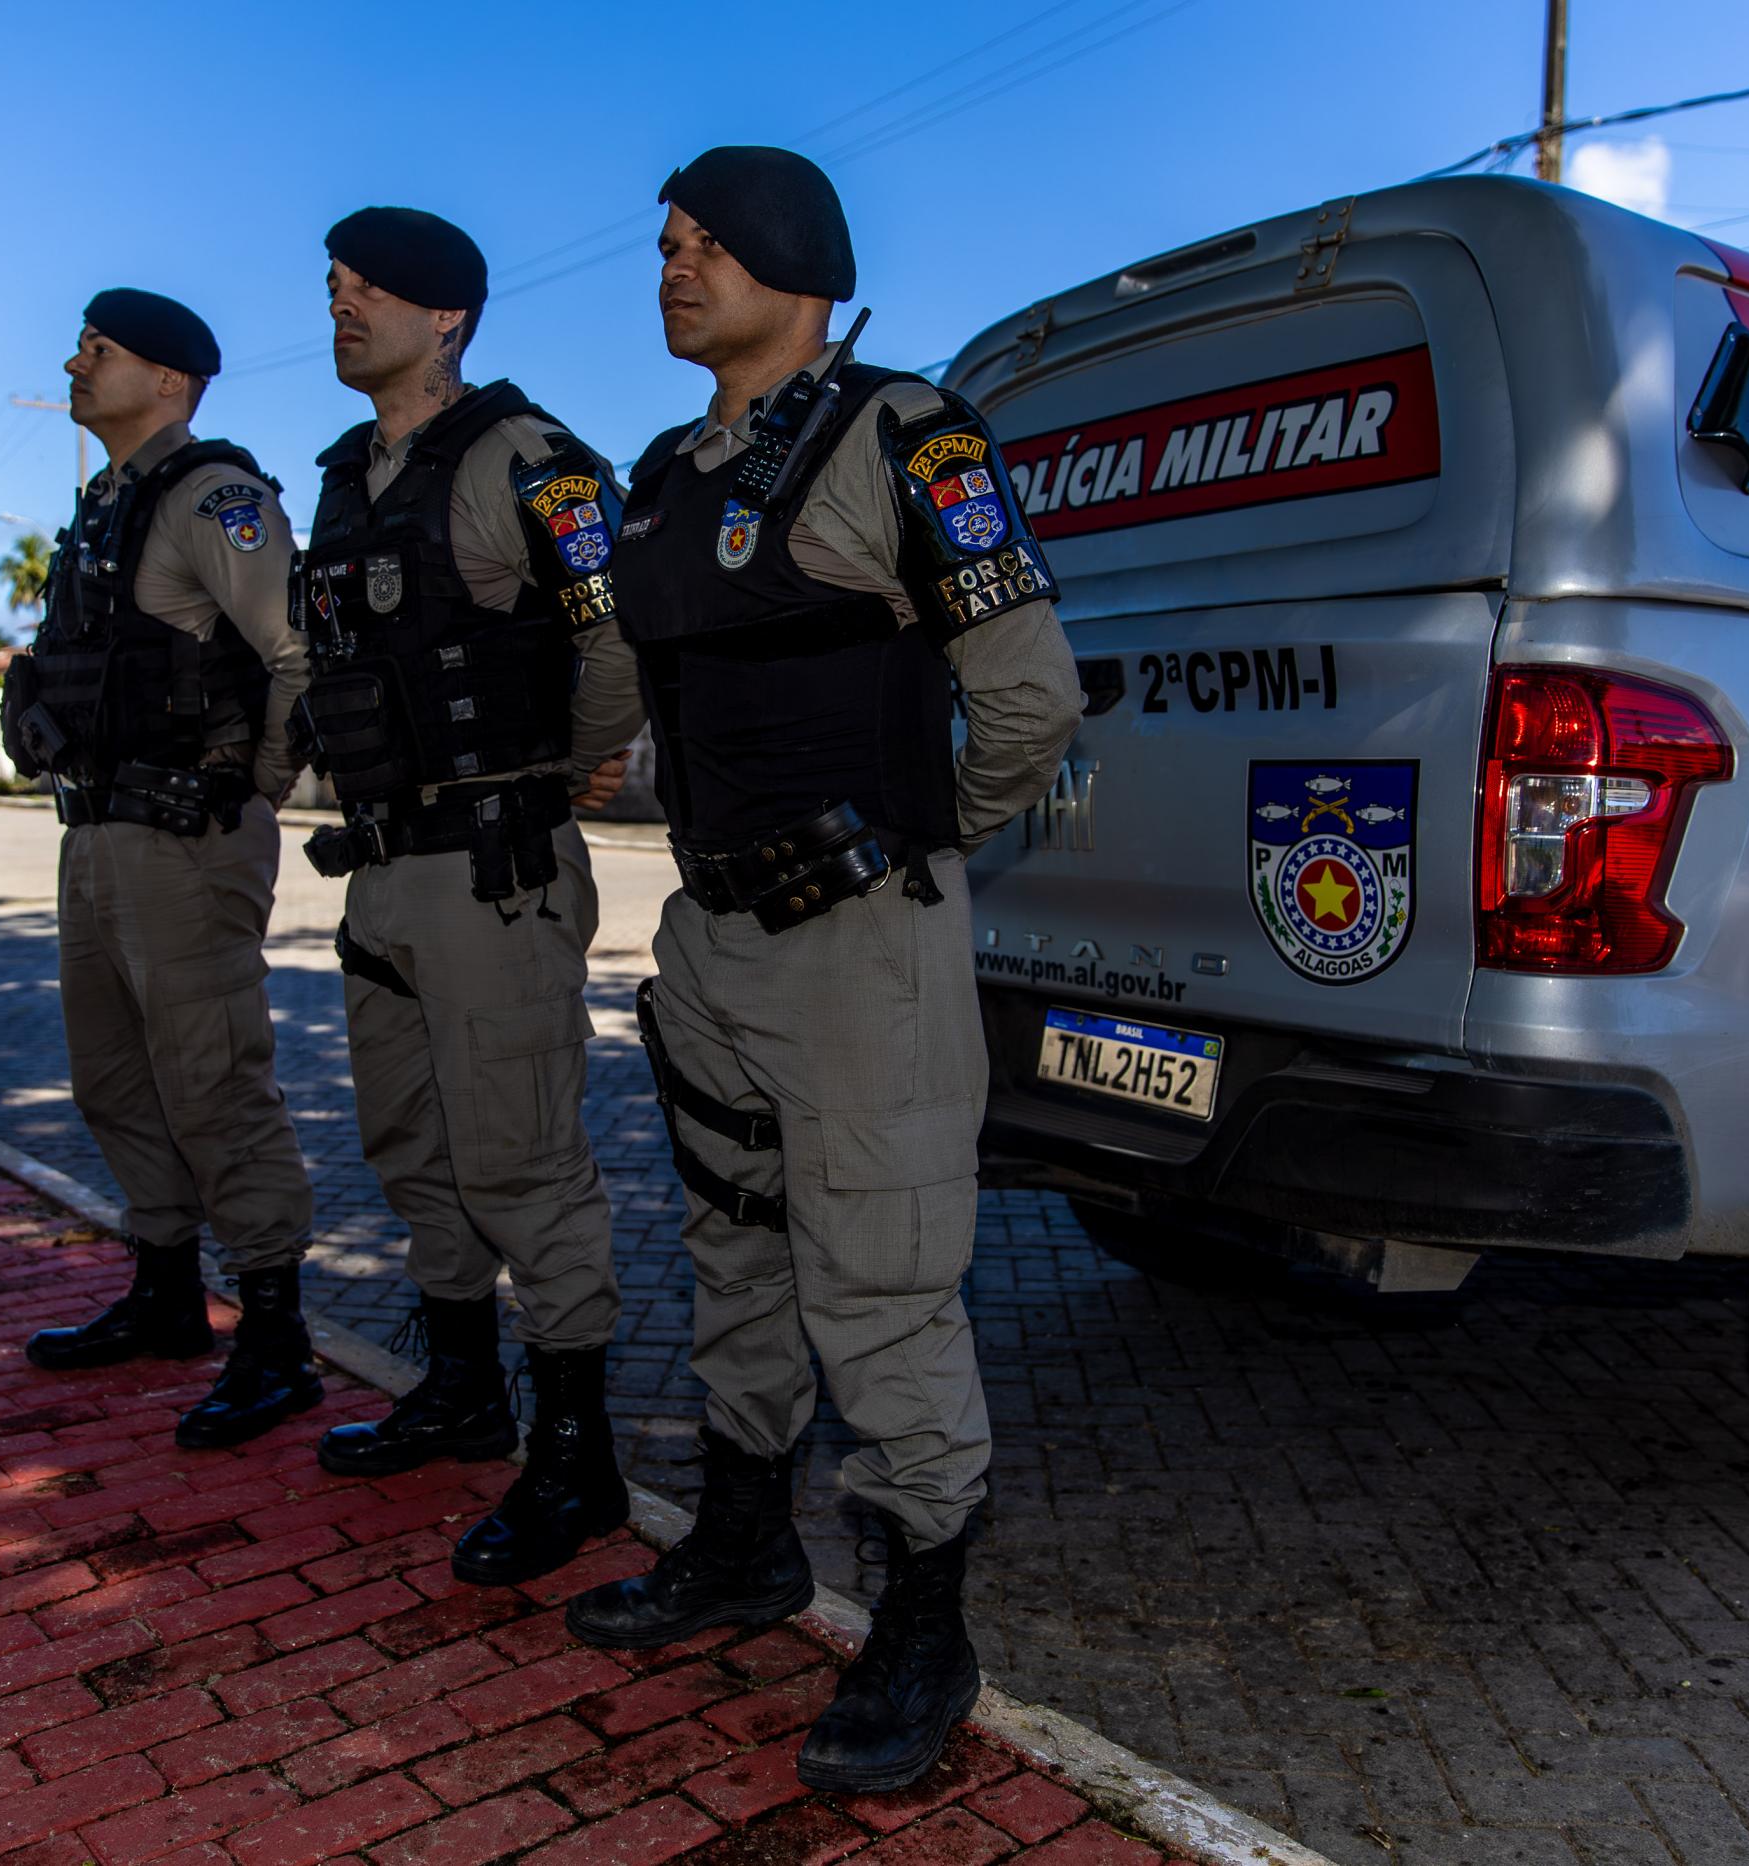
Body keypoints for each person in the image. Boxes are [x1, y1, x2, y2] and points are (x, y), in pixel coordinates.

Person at [561, 149, 1082, 1794]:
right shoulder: (657, 472)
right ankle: (743, 1547)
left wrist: (910, 849)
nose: (673, 264)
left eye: (707, 241)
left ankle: (926, 1622)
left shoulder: (908, 435)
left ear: (798, 259)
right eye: (665, 242)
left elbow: (1030, 701)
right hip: (708, 934)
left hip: (861, 941)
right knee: (734, 1258)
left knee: (881, 1283)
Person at [298, 207, 645, 1586]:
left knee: (523, 1166)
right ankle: (461, 1388)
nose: (341, 303)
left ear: (448, 315)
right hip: (384, 870)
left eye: (369, 286)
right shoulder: (341, 476)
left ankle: (577, 1454)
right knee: (410, 1147)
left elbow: (615, 631)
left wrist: (565, 767)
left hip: (495, 869)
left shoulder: (529, 460)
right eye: (333, 284)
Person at [0, 289, 322, 1452]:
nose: (76, 363)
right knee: (116, 1079)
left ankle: (277, 1339)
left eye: (100, 350)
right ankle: (168, 1291)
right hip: (94, 834)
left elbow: (298, 651)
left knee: (214, 1083)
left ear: (171, 380)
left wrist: (256, 793)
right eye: (80, 343)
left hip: (186, 838)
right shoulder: (101, 506)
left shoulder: (212, 497)